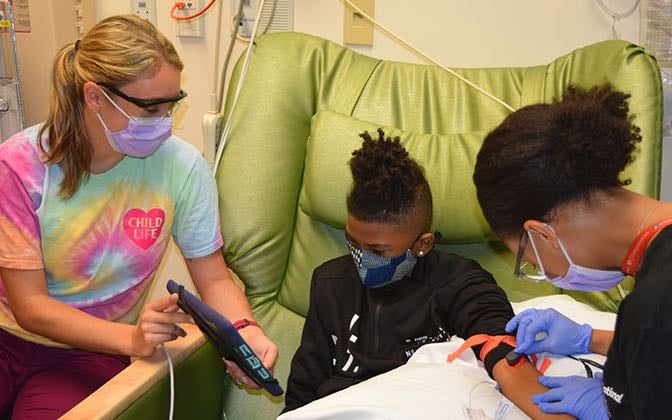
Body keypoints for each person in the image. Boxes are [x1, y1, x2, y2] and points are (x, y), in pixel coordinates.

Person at [0, 15, 276, 418]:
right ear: (95, 97)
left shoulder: (182, 168)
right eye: (151, 108)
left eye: (172, 104)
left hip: (90, 352)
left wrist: (245, 331)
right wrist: (133, 336)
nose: (165, 121)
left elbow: (214, 276)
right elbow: (31, 308)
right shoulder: (20, 165)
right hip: (8, 337)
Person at [282, 129, 570, 418]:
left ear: (422, 245)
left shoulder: (460, 283)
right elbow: (303, 390)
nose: (360, 259)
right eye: (352, 243)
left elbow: (503, 352)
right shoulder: (329, 283)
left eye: (378, 252)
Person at [473, 83, 672, 419]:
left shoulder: (655, 304)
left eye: (530, 261)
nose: (547, 274)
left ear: (540, 233)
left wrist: (618, 406)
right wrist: (588, 339)